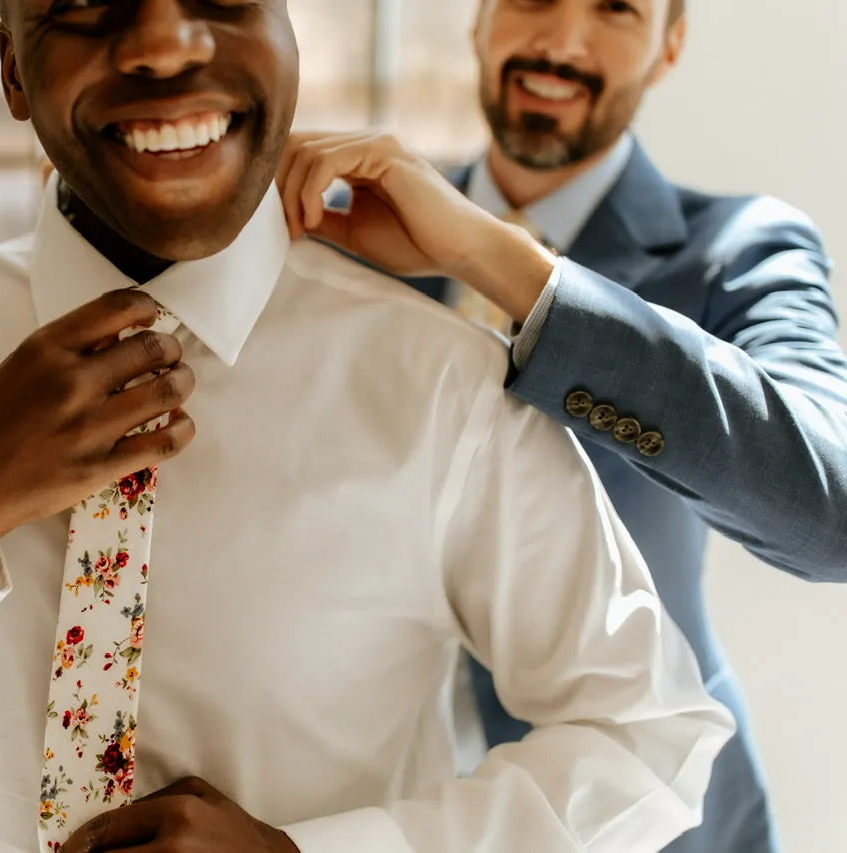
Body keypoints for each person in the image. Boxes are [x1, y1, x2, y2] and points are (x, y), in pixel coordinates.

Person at [0, 1, 733, 851]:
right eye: (84, 1)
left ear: (287, 35)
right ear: (13, 69)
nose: (161, 41)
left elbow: (649, 742)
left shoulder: (438, 381)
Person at [277, 1, 847, 851]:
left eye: (615, 8)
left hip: (658, 821)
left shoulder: (742, 250)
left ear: (670, 44)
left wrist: (497, 260)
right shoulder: (336, 234)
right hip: (365, 811)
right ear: (479, 19)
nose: (560, 40)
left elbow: (830, 512)